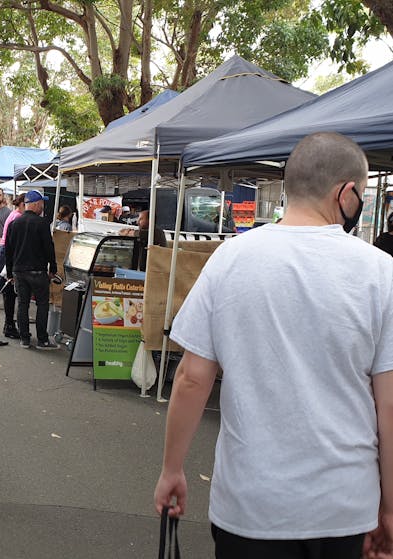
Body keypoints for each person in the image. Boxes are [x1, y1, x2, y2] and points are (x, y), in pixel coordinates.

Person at [154, 132, 393, 559]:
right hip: (345, 505)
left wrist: (173, 469)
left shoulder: (231, 257)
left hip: (251, 506)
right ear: (348, 193)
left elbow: (191, 378)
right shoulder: (381, 272)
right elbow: (389, 403)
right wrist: (389, 508)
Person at [5, 189, 58, 350]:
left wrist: (9, 273)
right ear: (35, 204)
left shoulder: (15, 224)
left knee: (23, 304)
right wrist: (53, 268)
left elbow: (9, 249)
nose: (43, 206)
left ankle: (24, 338)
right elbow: (49, 247)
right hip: (38, 271)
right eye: (42, 203)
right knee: (42, 304)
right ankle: (42, 339)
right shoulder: (42, 223)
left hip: (19, 271)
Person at [0, 194, 25, 339]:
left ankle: (9, 324)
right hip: (7, 252)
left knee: (9, 292)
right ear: (23, 204)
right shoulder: (18, 217)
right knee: (9, 291)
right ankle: (9, 325)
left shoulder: (14, 214)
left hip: (4, 251)